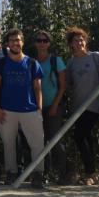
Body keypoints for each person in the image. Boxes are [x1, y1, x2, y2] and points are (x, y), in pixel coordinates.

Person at [0, 29, 46, 188]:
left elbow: (38, 88)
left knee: (37, 144)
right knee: (8, 144)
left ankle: (38, 174)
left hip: (30, 110)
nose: (15, 43)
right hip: (7, 110)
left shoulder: (32, 63)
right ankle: (11, 173)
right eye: (12, 40)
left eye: (18, 40)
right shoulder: (0, 64)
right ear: (7, 44)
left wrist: (39, 109)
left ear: (22, 42)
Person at [65, 27, 99, 186]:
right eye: (76, 40)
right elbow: (68, 84)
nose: (79, 42)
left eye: (81, 39)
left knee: (79, 136)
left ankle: (91, 173)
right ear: (71, 44)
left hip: (94, 105)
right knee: (86, 138)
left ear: (86, 41)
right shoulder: (71, 62)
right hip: (77, 107)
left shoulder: (96, 57)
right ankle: (92, 173)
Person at [33, 30, 70, 184]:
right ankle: (44, 174)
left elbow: (63, 85)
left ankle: (64, 174)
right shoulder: (31, 61)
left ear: (49, 43)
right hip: (36, 108)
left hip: (55, 106)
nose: (42, 43)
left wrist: (55, 105)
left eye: (45, 40)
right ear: (35, 43)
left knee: (55, 141)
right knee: (40, 142)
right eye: (39, 40)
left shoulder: (56, 61)